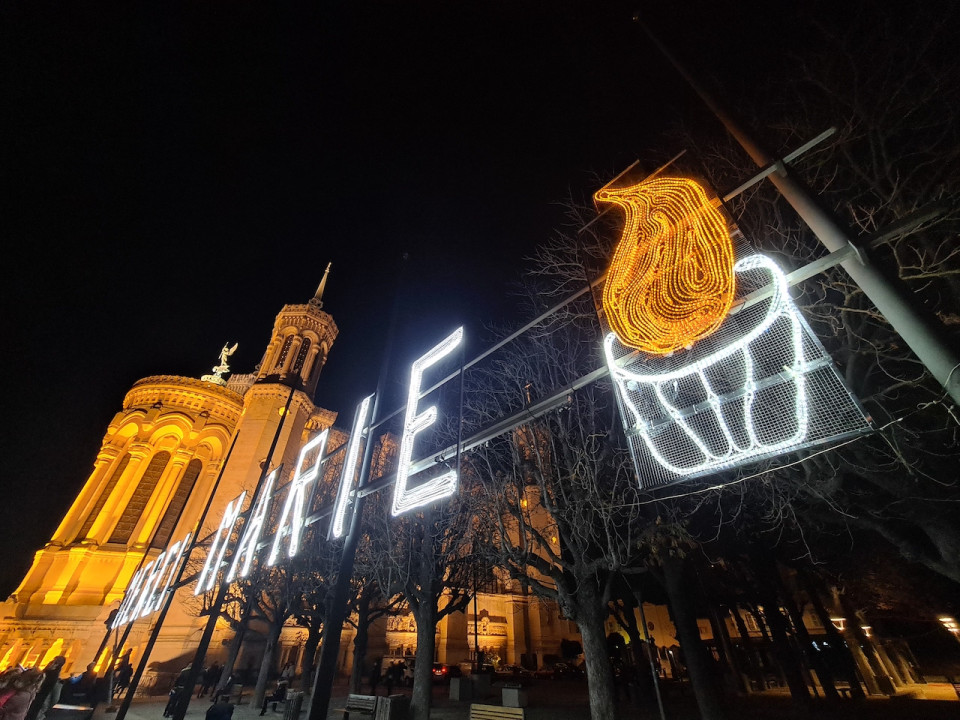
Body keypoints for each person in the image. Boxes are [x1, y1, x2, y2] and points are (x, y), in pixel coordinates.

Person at [25, 656, 65, 720]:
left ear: (56, 664)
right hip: (36, 699)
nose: (50, 663)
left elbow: (54, 698)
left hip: (38, 700)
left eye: (53, 661)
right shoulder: (50, 673)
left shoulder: (52, 676)